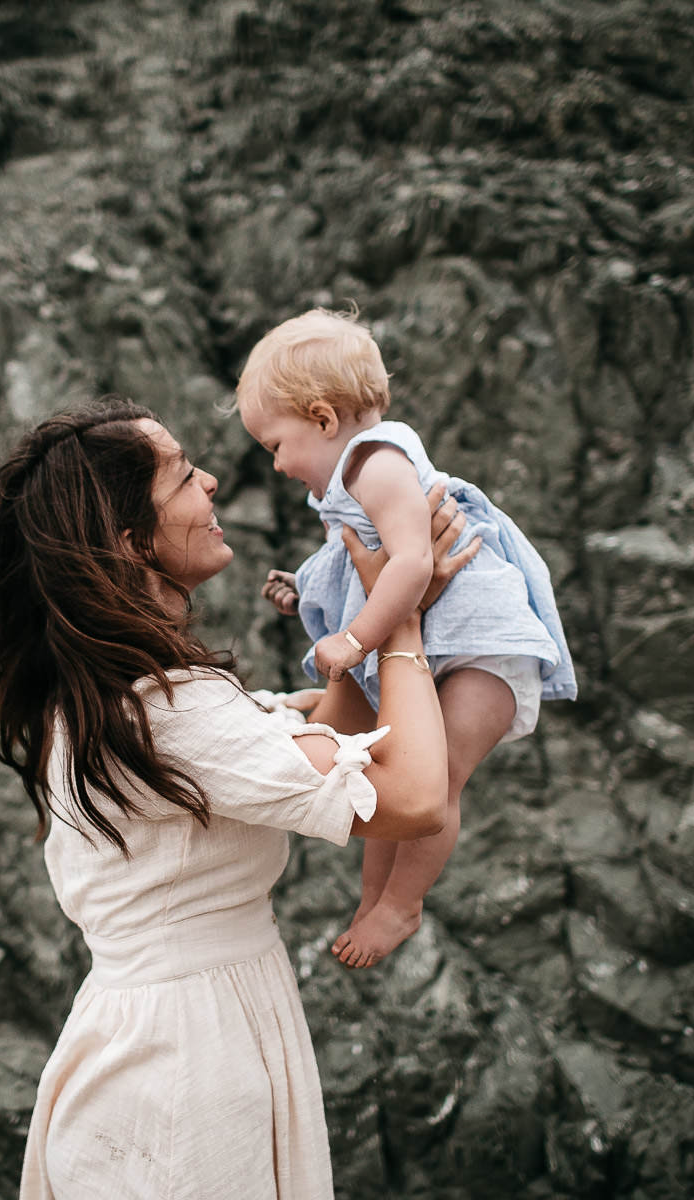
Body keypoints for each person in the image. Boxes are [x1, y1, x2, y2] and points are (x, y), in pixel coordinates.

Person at [0, 399, 476, 1198]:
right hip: (181, 1068)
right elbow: (412, 798)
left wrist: (368, 615)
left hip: (184, 1030)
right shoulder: (160, 713)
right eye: (180, 475)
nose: (209, 481)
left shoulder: (134, 700)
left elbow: (334, 744)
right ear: (129, 541)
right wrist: (401, 623)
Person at [234, 307, 577, 969]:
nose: (276, 466)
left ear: (322, 419)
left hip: (483, 649)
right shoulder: (353, 477)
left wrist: (355, 640)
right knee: (388, 775)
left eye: (276, 445)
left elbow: (414, 564)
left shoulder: (377, 464)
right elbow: (366, 564)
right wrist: (308, 590)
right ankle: (375, 899)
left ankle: (401, 904)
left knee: (436, 778)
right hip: (440, 644)